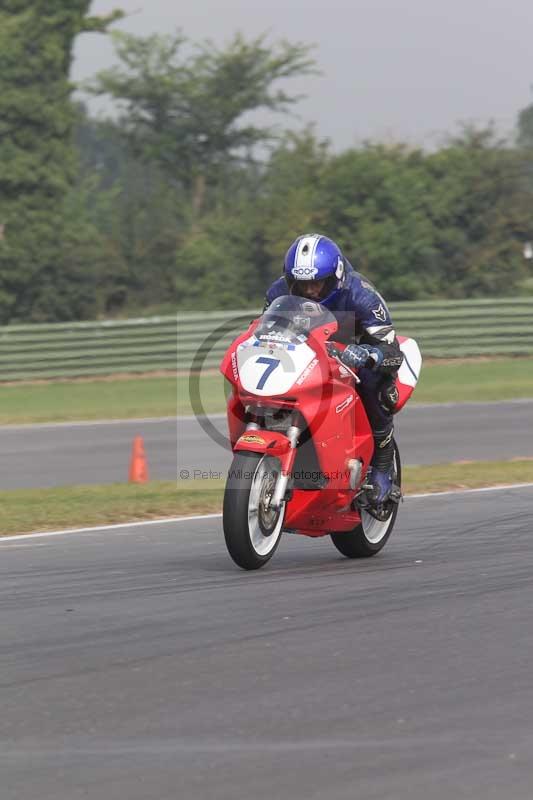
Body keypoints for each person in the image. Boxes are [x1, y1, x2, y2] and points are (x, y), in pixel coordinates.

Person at [263, 232, 404, 506]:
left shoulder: (362, 295)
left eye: (318, 283)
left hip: (354, 358)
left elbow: (392, 352)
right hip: (306, 357)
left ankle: (384, 464)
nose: (310, 291)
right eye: (302, 284)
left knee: (376, 384)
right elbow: (267, 334)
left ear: (335, 276)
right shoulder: (277, 292)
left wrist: (369, 354)